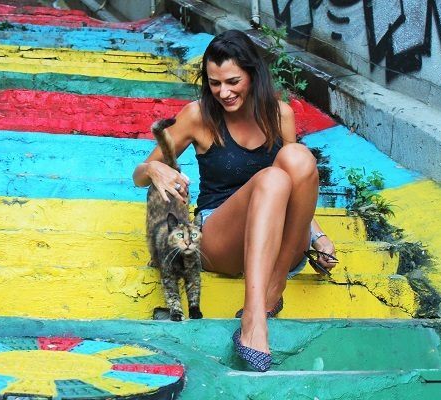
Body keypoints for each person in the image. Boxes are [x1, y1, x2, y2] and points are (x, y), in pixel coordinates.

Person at [132, 29, 338, 371]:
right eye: (214, 83)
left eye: (232, 81)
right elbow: (138, 176)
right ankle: (254, 320)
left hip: (280, 244)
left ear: (253, 75)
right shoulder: (199, 116)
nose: (223, 92)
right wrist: (154, 168)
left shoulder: (280, 114)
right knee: (273, 177)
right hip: (221, 237)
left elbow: (299, 188)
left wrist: (319, 236)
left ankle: (276, 285)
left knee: (299, 158)